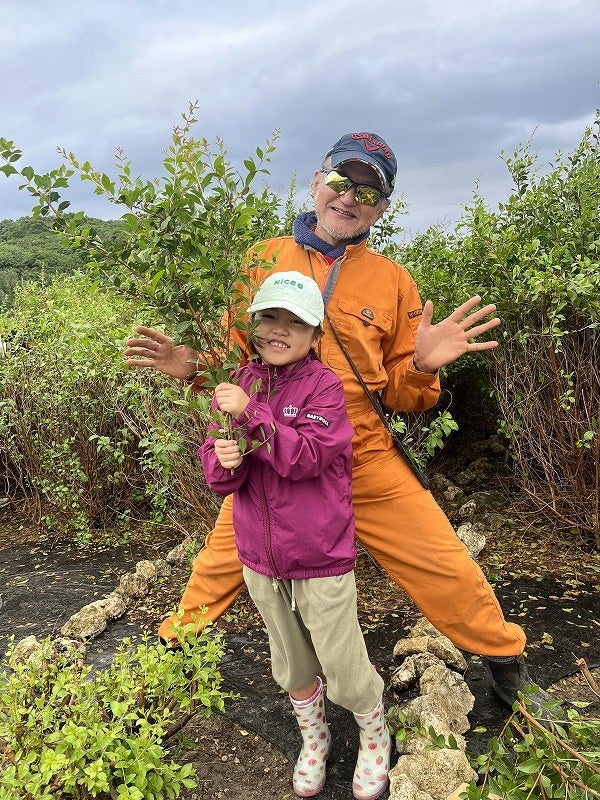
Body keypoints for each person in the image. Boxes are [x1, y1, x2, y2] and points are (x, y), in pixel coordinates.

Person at [124, 131, 561, 719]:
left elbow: (406, 396)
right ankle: (168, 654)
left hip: (363, 454)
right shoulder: (261, 258)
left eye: (368, 191)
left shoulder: (392, 281)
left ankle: (508, 668)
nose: (350, 197)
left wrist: (423, 365)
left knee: (443, 562)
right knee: (221, 560)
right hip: (273, 448)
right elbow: (236, 364)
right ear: (316, 181)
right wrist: (194, 368)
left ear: (382, 208)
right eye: (340, 180)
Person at [200, 271, 391, 799]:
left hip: (319, 554)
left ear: (315, 335)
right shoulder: (238, 383)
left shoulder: (324, 387)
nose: (279, 330)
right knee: (290, 660)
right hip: (259, 557)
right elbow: (218, 473)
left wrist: (251, 416)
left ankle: (374, 734)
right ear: (252, 325)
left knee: (342, 661)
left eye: (296, 322)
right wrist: (224, 458)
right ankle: (315, 737)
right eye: (269, 318)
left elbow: (307, 457)